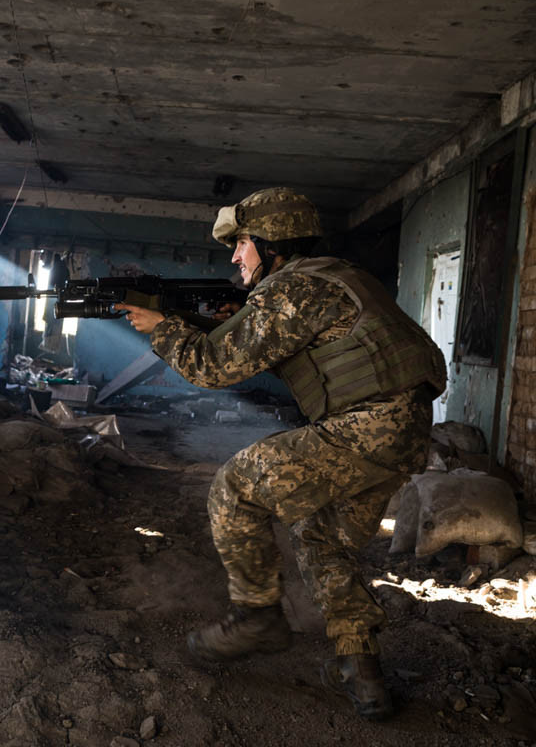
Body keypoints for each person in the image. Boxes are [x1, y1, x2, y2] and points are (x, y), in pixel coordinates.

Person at [117, 187, 446, 719]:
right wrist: (217, 321)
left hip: (367, 426)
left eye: (241, 243)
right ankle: (361, 671)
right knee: (322, 537)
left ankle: (257, 616)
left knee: (236, 485)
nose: (234, 256)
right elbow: (292, 354)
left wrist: (165, 329)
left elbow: (213, 369)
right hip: (402, 432)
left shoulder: (292, 289)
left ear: (271, 243)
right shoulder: (337, 277)